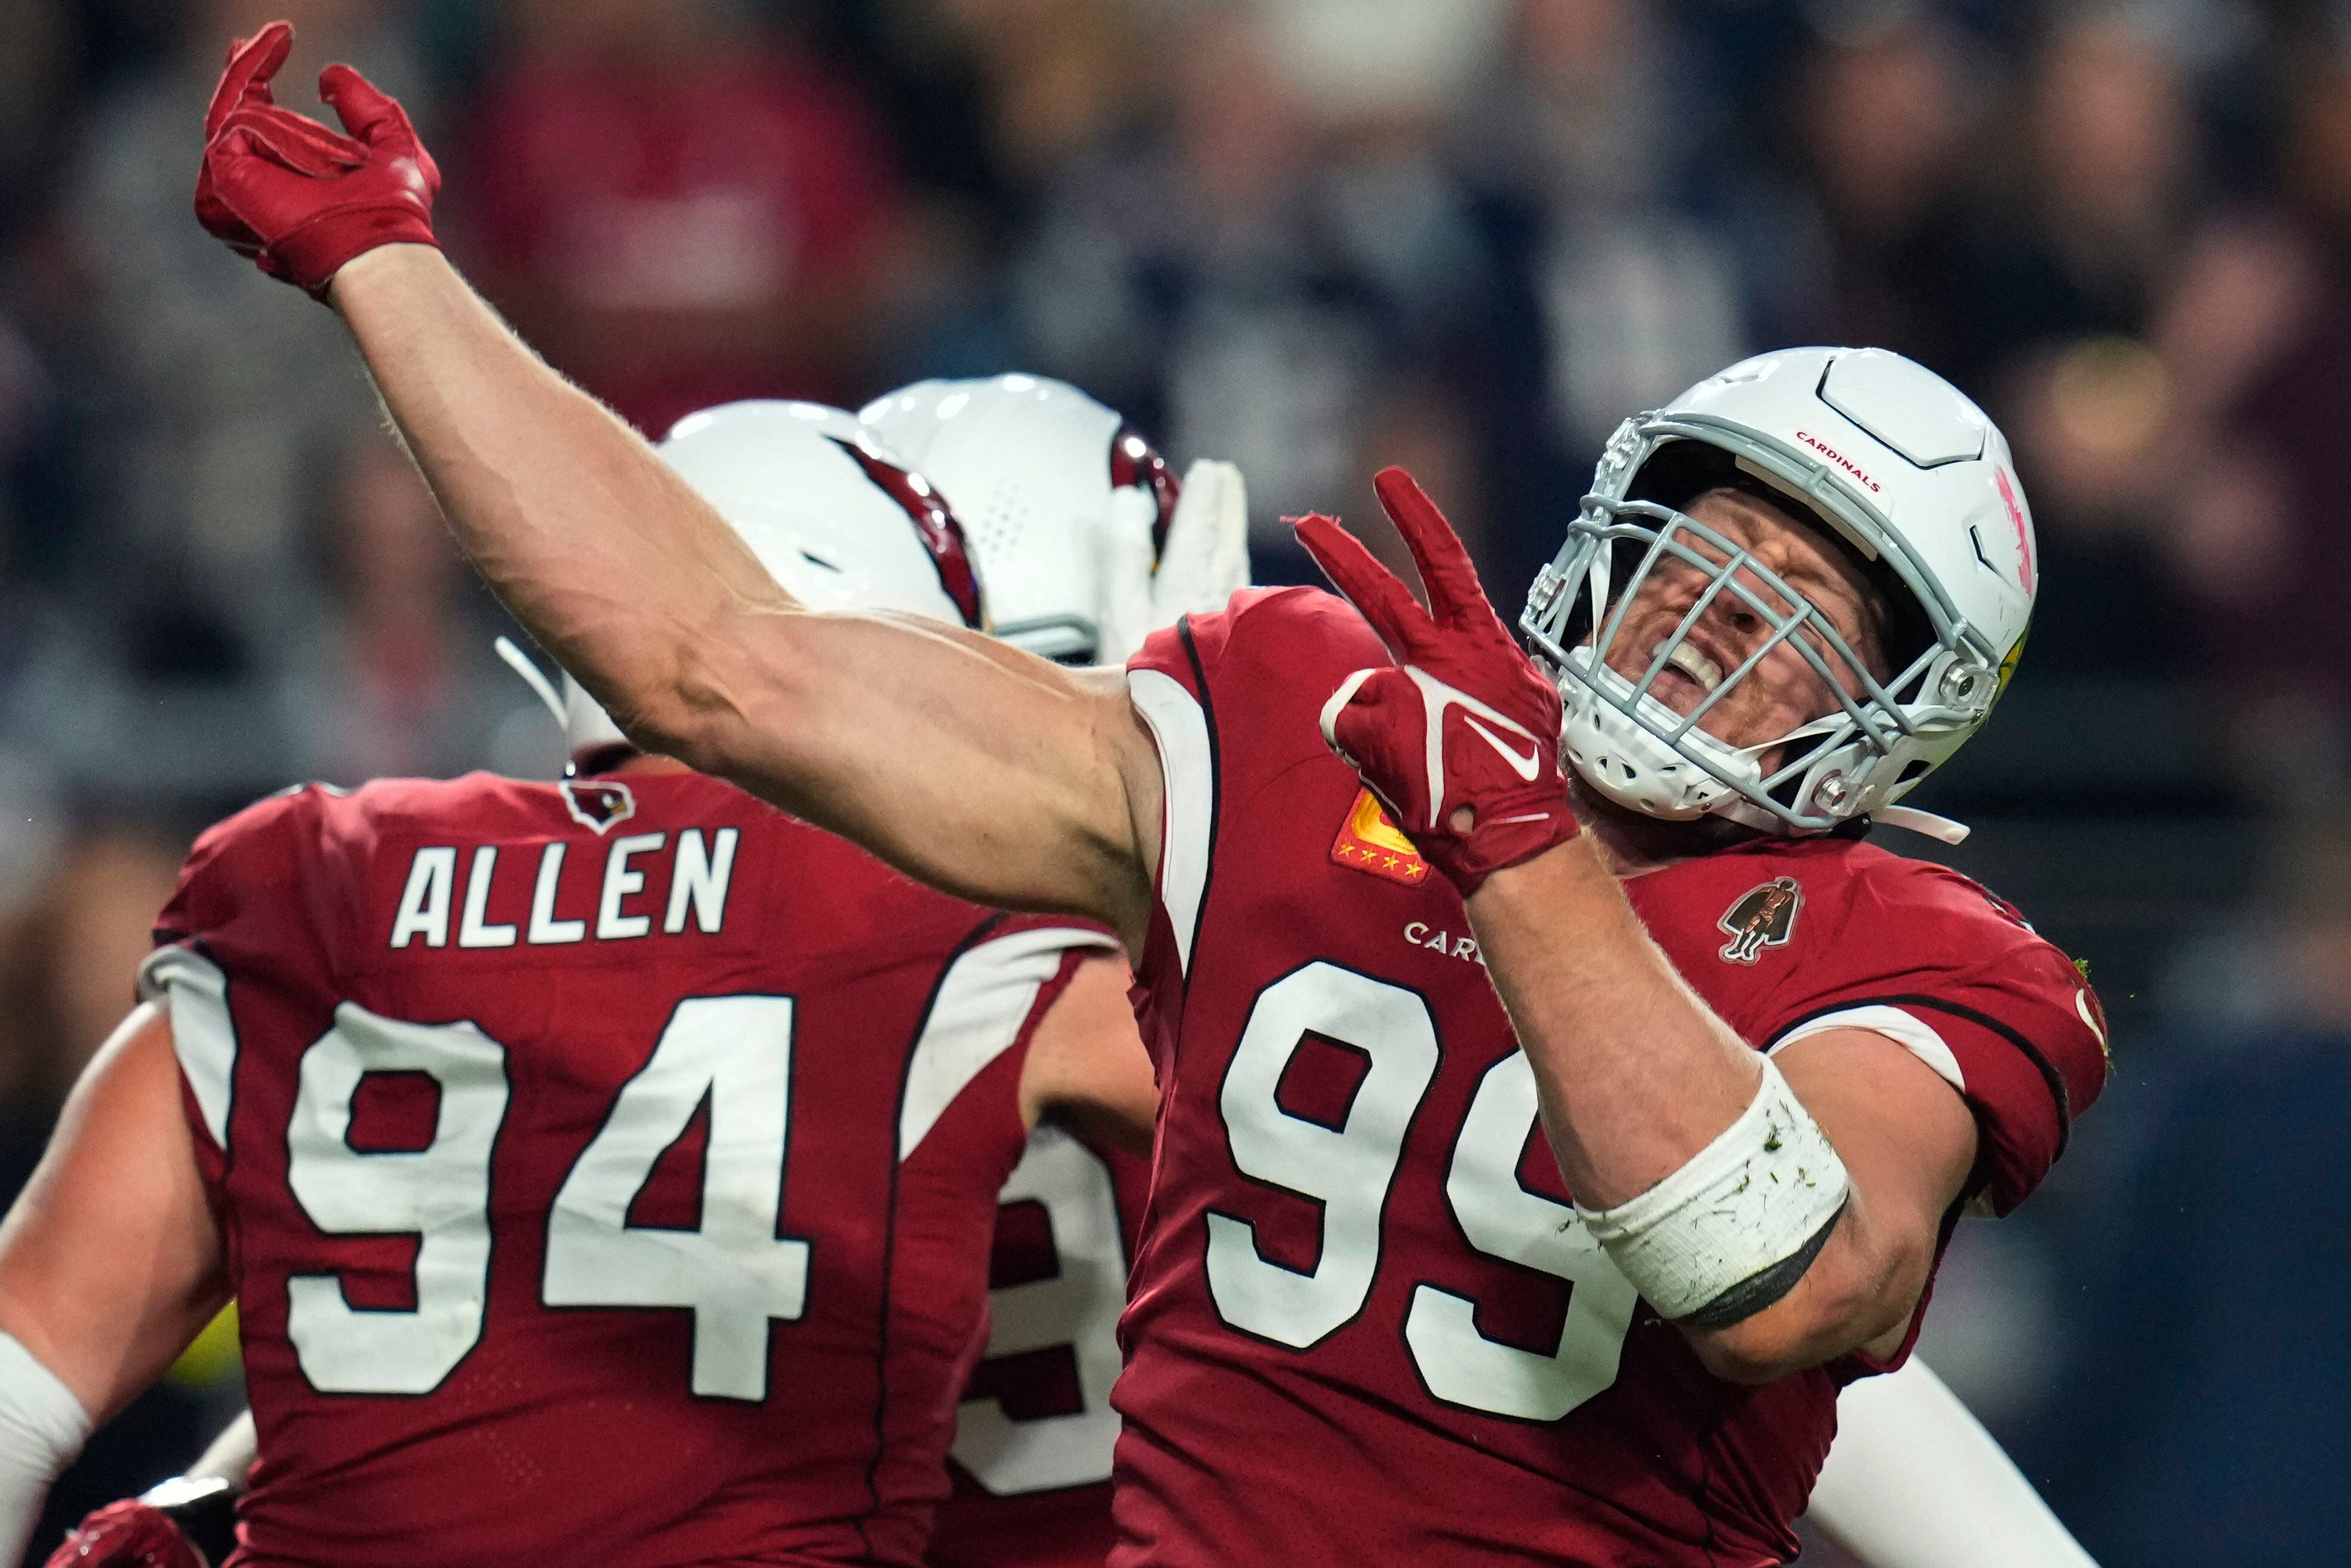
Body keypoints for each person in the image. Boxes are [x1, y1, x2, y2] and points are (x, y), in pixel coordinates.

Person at [183, 29, 2110, 1565]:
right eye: (1700, 555)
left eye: (1806, 618)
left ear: (1906, 717)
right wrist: (389, 275)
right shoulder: (1288, 714)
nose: (1709, 634)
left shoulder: (1930, 963)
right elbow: (721, 662)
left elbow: (1788, 1283)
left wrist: (1526, 869)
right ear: (1611, 528)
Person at [0, 406, 1162, 1567]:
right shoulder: (949, 913)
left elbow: (20, 1376)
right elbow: (1291, 1088)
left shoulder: (320, 878)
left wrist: (212, 1486)